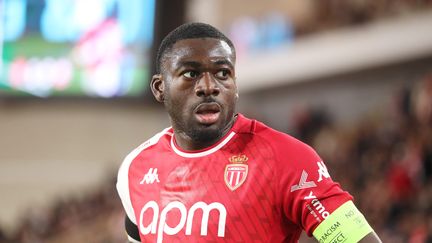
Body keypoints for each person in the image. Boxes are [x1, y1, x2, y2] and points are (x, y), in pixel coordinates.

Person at [116, 22, 382, 243]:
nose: (209, 86)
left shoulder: (286, 158)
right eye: (190, 73)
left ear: (235, 84)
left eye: (222, 73)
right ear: (160, 88)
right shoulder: (135, 168)